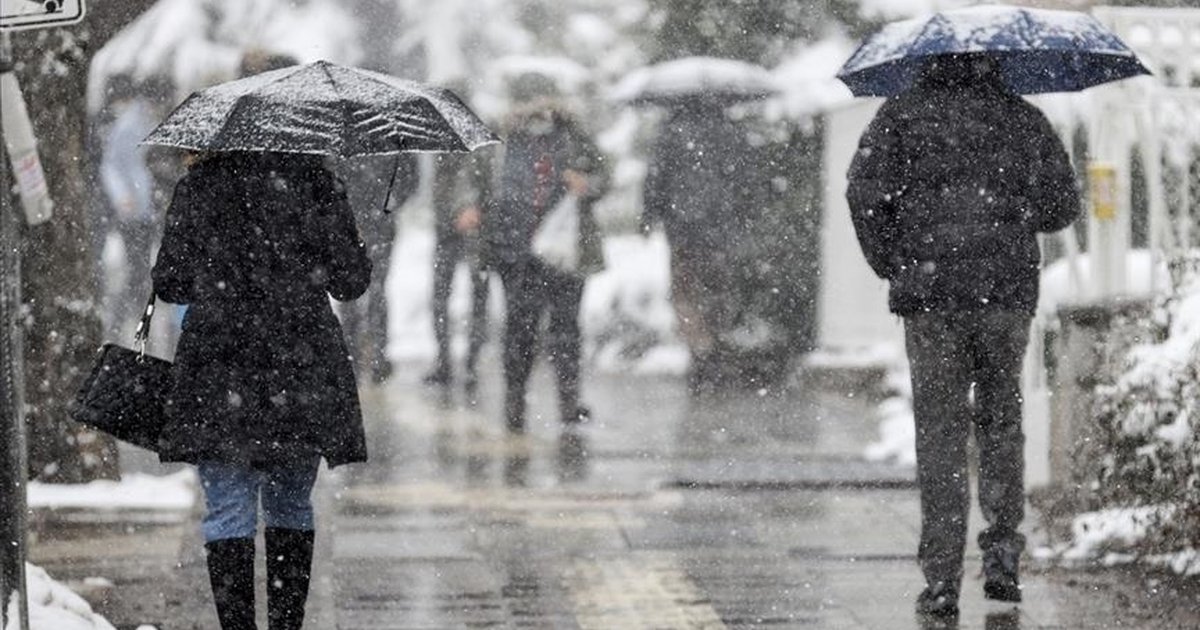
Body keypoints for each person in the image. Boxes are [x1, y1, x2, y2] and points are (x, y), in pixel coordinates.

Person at [846, 54, 1080, 618]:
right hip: (1003, 294)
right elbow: (1061, 207)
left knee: (940, 432)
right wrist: (1014, 212)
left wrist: (895, 262)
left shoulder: (898, 117)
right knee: (1001, 420)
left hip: (930, 298)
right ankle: (1002, 553)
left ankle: (942, 577)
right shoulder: (1023, 117)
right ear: (994, 61)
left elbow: (863, 195)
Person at [152, 151, 371, 629]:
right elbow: (350, 282)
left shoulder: (200, 184)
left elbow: (170, 282)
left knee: (227, 506)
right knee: (290, 502)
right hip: (300, 365)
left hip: (220, 363)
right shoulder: (317, 182)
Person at [484, 80, 608, 433]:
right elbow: (482, 182)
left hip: (566, 251)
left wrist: (586, 183)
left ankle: (568, 402)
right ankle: (515, 402)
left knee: (566, 329)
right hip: (517, 250)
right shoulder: (503, 141)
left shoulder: (574, 136)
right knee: (520, 330)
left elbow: (603, 175)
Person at [641, 98, 750, 389]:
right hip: (719, 228)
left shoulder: (671, 132)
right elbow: (743, 177)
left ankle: (698, 350)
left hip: (683, 228)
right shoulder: (730, 131)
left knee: (686, 291)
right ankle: (714, 348)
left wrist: (650, 214)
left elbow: (655, 177)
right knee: (717, 290)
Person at [339, 155, 419, 383]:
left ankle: (372, 356)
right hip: (353, 220)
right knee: (355, 290)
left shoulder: (391, 140)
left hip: (375, 223)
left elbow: (410, 178)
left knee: (373, 290)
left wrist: (390, 202)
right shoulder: (390, 137)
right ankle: (357, 353)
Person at [424, 147, 493, 394]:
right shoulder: (440, 144)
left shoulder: (478, 143)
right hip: (447, 227)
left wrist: (472, 208)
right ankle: (446, 361)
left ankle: (470, 363)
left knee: (477, 294)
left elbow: (483, 179)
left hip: (475, 227)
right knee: (442, 295)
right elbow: (440, 186)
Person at [97, 74, 160, 341]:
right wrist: (122, 195)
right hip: (134, 209)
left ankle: (131, 319)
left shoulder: (146, 121)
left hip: (144, 208)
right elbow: (110, 164)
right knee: (137, 268)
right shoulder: (129, 125)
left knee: (142, 266)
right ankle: (125, 322)